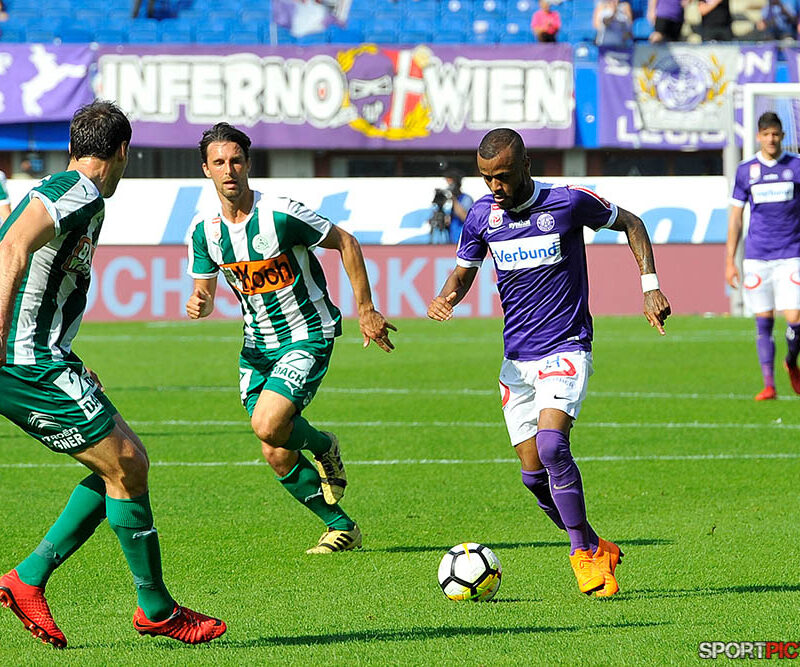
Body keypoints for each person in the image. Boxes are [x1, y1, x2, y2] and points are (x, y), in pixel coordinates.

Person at [0, 101, 226, 649]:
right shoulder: (75, 190)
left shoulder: (78, 196)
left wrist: (67, 357)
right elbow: (11, 248)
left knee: (125, 463)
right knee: (127, 464)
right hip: (23, 360)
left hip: (44, 354)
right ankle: (156, 608)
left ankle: (28, 579)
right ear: (123, 150)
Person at [427, 128, 670, 597]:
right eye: (486, 178)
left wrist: (650, 286)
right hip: (516, 359)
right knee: (533, 474)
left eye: (502, 176)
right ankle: (596, 544)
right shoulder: (481, 216)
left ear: (526, 165)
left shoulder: (568, 202)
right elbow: (463, 271)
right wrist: (446, 296)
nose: (494, 187)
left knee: (554, 446)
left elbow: (632, 223)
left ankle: (581, 556)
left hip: (566, 345)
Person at [185, 123, 395, 555]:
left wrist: (365, 309)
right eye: (219, 162)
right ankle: (341, 527)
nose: (229, 170)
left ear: (248, 164)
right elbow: (204, 294)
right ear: (206, 169)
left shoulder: (280, 214)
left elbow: (346, 242)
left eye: (236, 160)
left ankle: (323, 445)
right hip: (256, 348)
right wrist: (200, 303)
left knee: (267, 424)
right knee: (274, 448)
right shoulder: (204, 232)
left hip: (307, 333)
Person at [726, 112, 800, 401]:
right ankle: (769, 385)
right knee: (764, 320)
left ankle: (791, 361)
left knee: (795, 318)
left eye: (776, 134)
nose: (771, 139)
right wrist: (729, 261)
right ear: (758, 137)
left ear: (782, 136)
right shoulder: (746, 171)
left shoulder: (796, 166)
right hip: (757, 257)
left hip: (791, 253)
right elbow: (736, 218)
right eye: (766, 134)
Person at [444, 169, 474, 245]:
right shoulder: (447, 200)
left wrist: (454, 199)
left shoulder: (466, 199)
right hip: (451, 241)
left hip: (463, 240)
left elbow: (465, 218)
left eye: (451, 184)